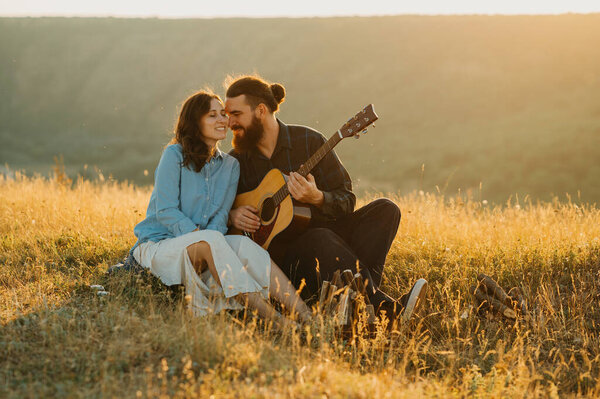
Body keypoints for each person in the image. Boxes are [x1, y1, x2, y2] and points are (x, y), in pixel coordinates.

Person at [225, 76, 428, 325]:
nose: (229, 122)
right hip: (288, 263)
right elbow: (213, 210)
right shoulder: (236, 161)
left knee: (386, 210)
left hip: (332, 242)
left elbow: (347, 199)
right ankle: (385, 310)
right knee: (319, 237)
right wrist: (232, 215)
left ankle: (353, 302)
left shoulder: (309, 142)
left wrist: (318, 198)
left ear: (260, 110)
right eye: (227, 114)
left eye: (236, 113)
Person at [129, 90, 312, 329]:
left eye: (223, 114)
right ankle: (276, 321)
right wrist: (201, 236)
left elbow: (220, 218)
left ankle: (307, 315)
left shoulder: (230, 166)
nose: (222, 120)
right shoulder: (173, 155)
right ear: (195, 122)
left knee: (244, 245)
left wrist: (213, 242)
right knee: (209, 241)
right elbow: (165, 210)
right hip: (160, 244)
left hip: (207, 246)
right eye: (212, 115)